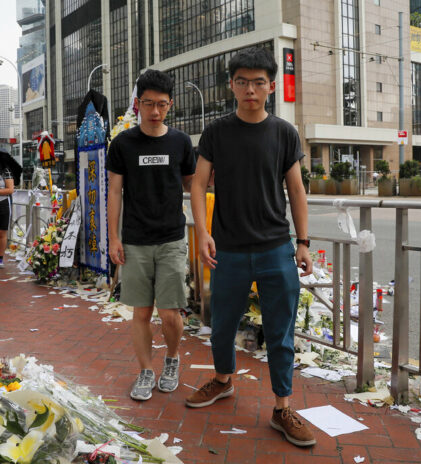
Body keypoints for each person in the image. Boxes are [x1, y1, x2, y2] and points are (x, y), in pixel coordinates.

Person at [188, 47, 316, 447]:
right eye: (242, 81)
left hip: (276, 247)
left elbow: (296, 189)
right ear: (232, 85)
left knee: (280, 331)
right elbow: (197, 183)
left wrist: (304, 242)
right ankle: (223, 380)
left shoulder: (283, 133)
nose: (250, 88)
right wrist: (203, 231)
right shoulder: (216, 132)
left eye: (258, 81)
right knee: (221, 326)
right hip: (227, 249)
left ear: (271, 87)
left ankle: (282, 407)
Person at [107, 69, 196, 401]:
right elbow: (114, 192)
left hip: (172, 237)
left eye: (161, 104)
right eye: (148, 104)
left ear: (170, 105)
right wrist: (114, 239)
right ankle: (145, 370)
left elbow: (192, 184)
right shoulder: (123, 144)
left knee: (171, 312)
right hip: (134, 239)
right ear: (137, 104)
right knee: (141, 312)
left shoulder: (181, 142)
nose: (155, 111)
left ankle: (171, 359)